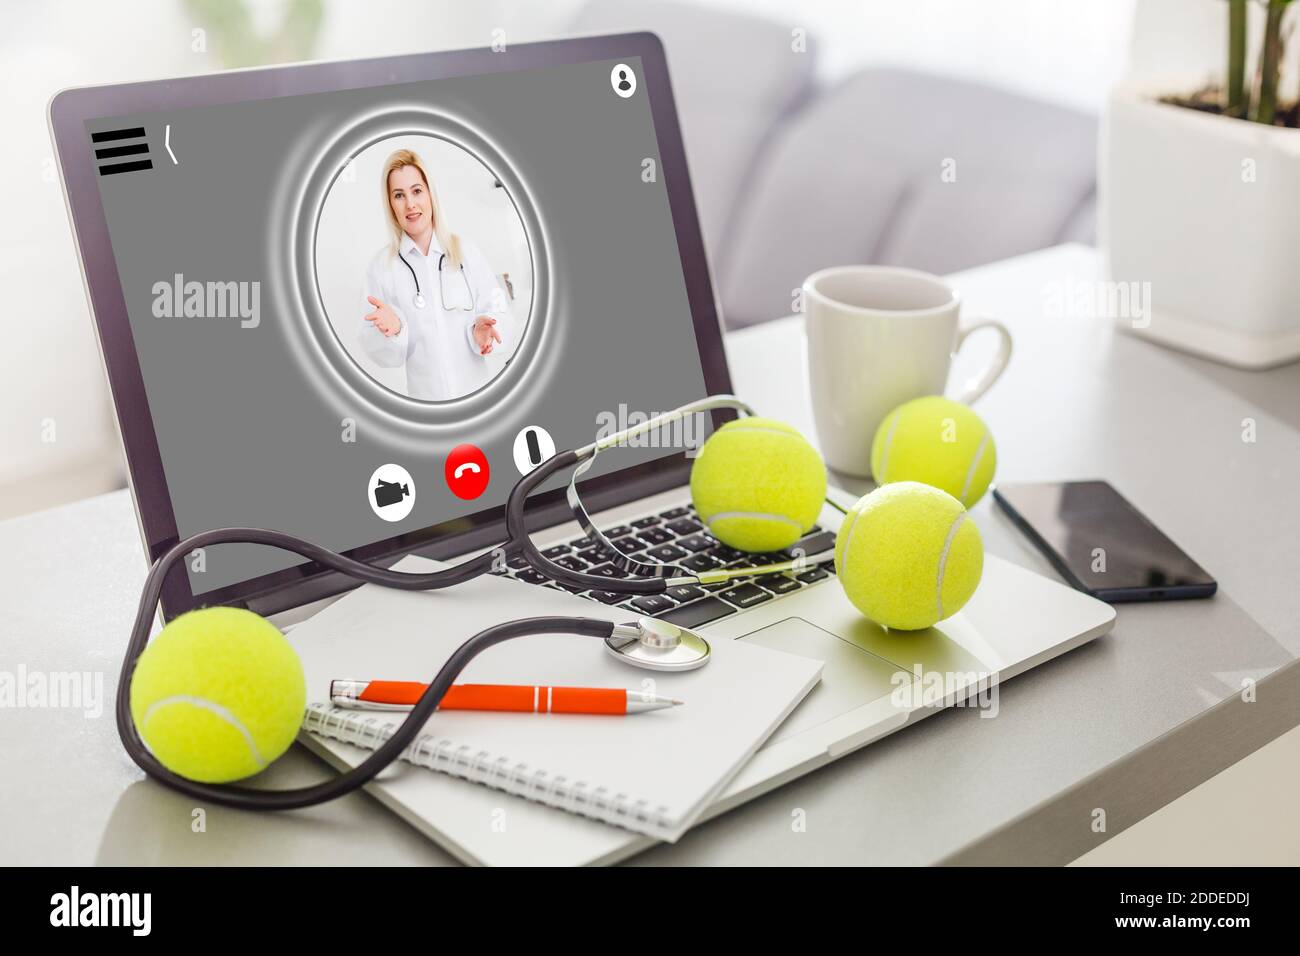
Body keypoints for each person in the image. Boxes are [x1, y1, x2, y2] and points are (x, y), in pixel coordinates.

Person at [359, 148, 516, 400]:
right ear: (390, 203)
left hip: (480, 398)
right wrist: (394, 331)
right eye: (399, 195)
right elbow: (378, 350)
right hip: (428, 408)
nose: (410, 204)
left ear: (430, 193)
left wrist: (482, 333)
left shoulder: (467, 253)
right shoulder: (381, 269)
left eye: (417, 191)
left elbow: (501, 316)